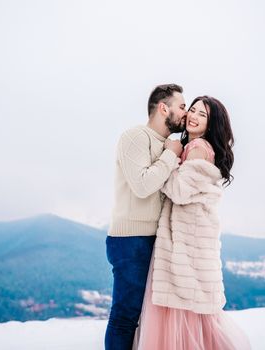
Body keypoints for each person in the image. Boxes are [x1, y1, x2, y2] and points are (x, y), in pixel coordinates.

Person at [134, 96, 252, 350]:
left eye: (203, 114)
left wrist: (168, 157)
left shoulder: (197, 147)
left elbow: (178, 190)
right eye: (193, 110)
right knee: (190, 313)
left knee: (181, 309)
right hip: (190, 238)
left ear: (212, 124)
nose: (193, 116)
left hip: (186, 243)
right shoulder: (199, 146)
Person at [105, 84, 187, 350]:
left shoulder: (170, 146)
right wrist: (170, 155)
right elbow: (142, 186)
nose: (185, 113)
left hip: (156, 238)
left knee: (146, 318)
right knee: (125, 316)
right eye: (182, 106)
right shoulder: (135, 137)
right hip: (131, 240)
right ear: (164, 108)